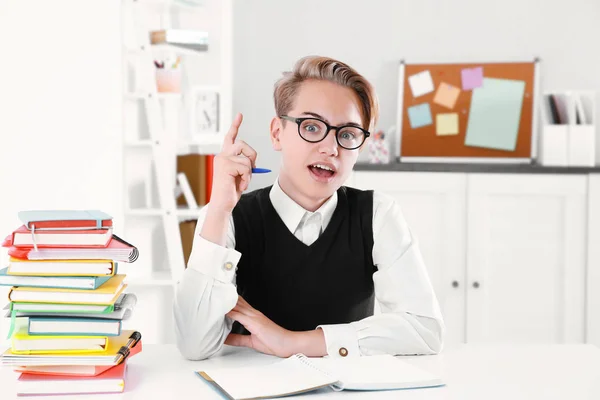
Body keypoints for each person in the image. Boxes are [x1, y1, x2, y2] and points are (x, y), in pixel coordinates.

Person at [173, 56, 444, 361]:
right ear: (277, 133)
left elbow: (425, 330)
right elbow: (194, 345)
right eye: (312, 127)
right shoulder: (228, 217)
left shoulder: (377, 214)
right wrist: (220, 209)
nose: (331, 148)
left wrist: (295, 343)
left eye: (348, 134)